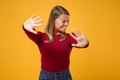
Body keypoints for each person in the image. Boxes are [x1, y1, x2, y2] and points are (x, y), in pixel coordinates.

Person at [23, 5, 89, 80]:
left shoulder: (70, 37)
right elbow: (30, 32)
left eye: (68, 21)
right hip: (46, 76)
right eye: (64, 21)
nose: (67, 24)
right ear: (53, 20)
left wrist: (85, 43)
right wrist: (25, 27)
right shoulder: (41, 37)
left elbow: (82, 43)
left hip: (65, 76)